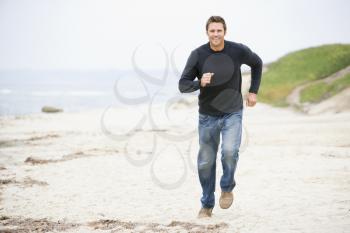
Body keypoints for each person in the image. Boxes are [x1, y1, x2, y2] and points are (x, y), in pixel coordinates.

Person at [178, 16, 262, 218]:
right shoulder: (197, 55)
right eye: (212, 31)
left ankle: (227, 187)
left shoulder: (237, 50)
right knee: (206, 162)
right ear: (206, 32)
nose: (215, 34)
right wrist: (200, 83)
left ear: (225, 31)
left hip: (232, 112)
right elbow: (183, 84)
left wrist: (253, 91)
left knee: (230, 151)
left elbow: (257, 63)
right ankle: (207, 204)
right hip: (207, 116)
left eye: (219, 31)